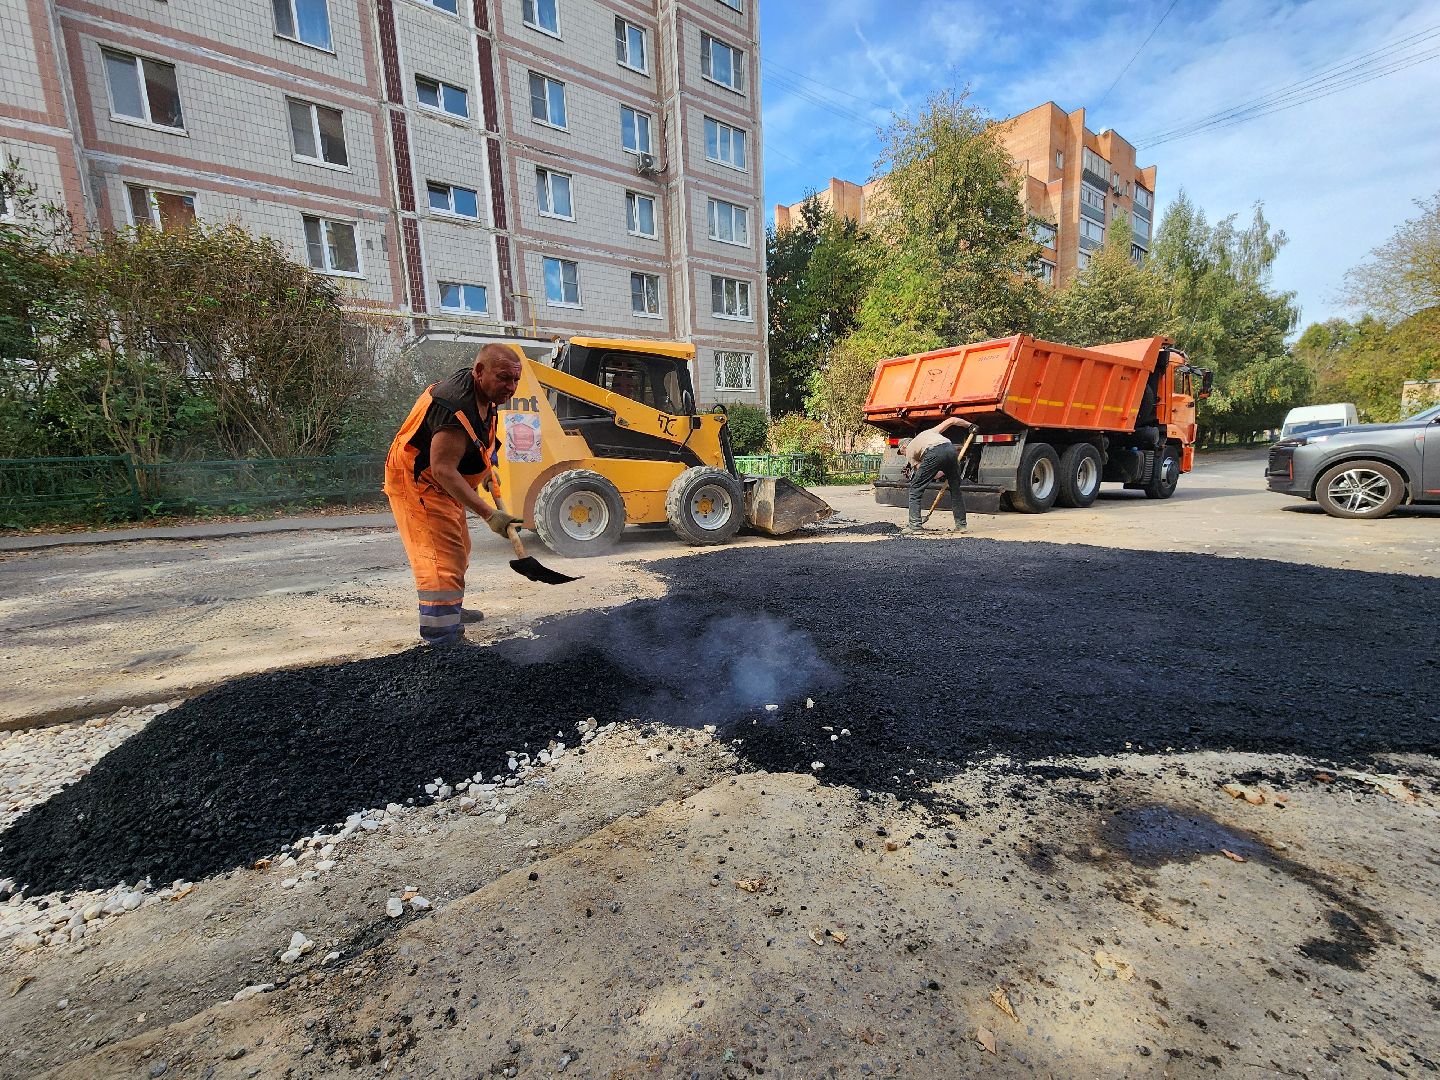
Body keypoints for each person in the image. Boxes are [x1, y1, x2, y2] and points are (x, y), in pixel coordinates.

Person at [384, 344, 524, 645]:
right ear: (479, 372)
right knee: (440, 558)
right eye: (504, 378)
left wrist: (485, 469)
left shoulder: (487, 395)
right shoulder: (454, 407)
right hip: (420, 483)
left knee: (460, 546)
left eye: (515, 380)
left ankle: (450, 609)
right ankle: (441, 634)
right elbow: (443, 469)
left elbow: (479, 439)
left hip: (444, 480)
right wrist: (490, 514)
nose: (510, 387)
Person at [903, 415, 975, 534]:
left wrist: (938, 471)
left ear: (904, 446)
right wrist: (970, 426)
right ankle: (961, 525)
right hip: (951, 449)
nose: (903, 454)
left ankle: (915, 526)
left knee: (915, 489)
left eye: (901, 452)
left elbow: (931, 474)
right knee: (955, 490)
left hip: (933, 452)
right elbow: (952, 420)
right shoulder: (929, 432)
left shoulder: (909, 451)